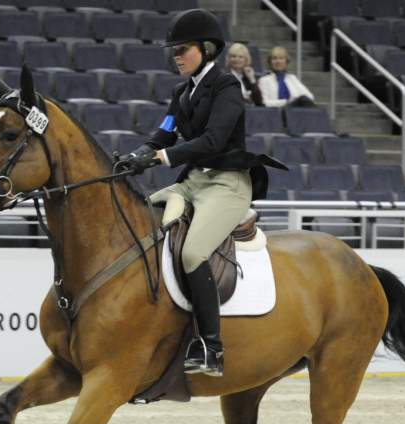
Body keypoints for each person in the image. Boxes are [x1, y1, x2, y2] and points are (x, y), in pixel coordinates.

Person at [118, 9, 286, 377]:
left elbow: (214, 139)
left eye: (183, 49)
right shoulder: (183, 92)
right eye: (174, 51)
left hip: (227, 184)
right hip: (194, 182)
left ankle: (212, 347)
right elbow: (164, 131)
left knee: (194, 251)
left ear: (207, 49)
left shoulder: (227, 86)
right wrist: (138, 154)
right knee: (141, 212)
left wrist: (162, 157)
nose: (176, 56)